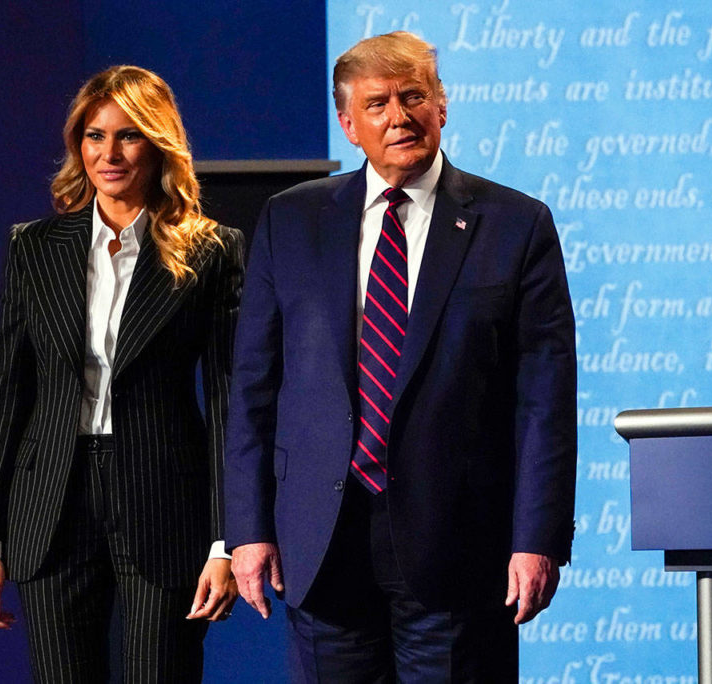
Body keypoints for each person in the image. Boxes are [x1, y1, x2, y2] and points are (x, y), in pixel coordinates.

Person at [225, 32, 576, 681]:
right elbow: (253, 389)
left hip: (461, 549)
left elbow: (545, 402)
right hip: (322, 544)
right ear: (348, 123)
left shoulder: (515, 224)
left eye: (414, 96)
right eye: (379, 101)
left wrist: (537, 538)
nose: (399, 115)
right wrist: (245, 529)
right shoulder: (290, 221)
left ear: (442, 106)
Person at [0, 65, 242, 683]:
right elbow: (7, 399)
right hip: (52, 504)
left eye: (128, 136)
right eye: (94, 136)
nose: (109, 153)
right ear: (77, 146)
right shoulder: (34, 247)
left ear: (158, 144)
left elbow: (229, 404)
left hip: (164, 499)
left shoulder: (213, 250)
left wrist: (225, 542)